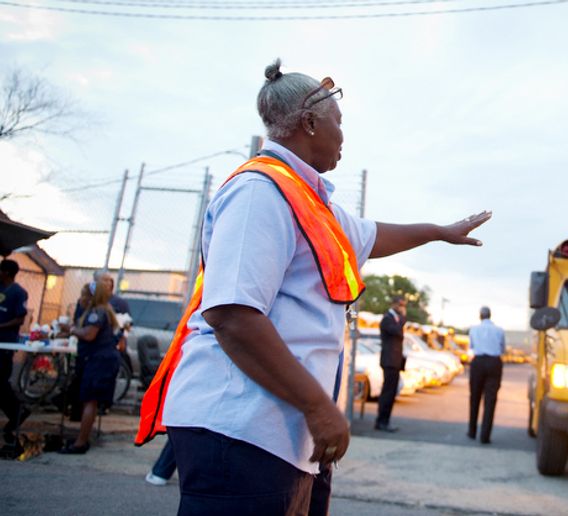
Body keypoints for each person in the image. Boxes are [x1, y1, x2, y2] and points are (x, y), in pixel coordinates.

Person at [135, 59, 491, 515]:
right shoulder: (259, 192)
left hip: (280, 436)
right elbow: (233, 316)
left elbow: (375, 235)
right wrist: (319, 408)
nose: (343, 136)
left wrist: (438, 231)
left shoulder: (310, 201)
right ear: (308, 122)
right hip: (240, 429)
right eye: (338, 123)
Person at [58, 281, 121, 454]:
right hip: (99, 360)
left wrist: (72, 329)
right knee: (89, 400)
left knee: (90, 401)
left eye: (84, 294)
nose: (81, 297)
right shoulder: (101, 310)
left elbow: (89, 335)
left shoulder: (97, 312)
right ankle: (82, 438)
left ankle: (81, 442)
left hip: (99, 361)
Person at [0, 259, 30, 443]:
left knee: (1, 380)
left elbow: (20, 318)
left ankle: (18, 411)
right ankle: (16, 412)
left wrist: (1, 326)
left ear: (7, 273)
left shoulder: (19, 293)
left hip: (6, 344)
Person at [467, 306, 505, 444]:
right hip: (494, 363)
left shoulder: (473, 329)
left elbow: (471, 347)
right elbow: (502, 349)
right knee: (490, 400)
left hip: (478, 362)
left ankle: (472, 431)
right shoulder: (499, 330)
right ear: (490, 315)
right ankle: (485, 435)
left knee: (474, 398)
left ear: (480, 316)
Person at [376, 296, 407, 433]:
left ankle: (385, 420)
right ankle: (382, 421)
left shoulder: (395, 319)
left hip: (395, 361)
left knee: (391, 392)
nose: (402, 307)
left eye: (403, 305)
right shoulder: (387, 319)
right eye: (400, 304)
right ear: (394, 304)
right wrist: (403, 318)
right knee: (387, 393)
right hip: (389, 361)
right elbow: (396, 332)